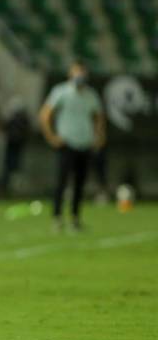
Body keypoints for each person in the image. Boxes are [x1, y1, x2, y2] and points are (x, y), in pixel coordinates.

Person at [39, 62, 106, 232]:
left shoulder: (91, 95)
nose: (79, 76)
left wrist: (99, 135)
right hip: (67, 143)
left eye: (82, 73)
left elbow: (98, 116)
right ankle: (57, 217)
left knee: (79, 183)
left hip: (84, 143)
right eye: (77, 73)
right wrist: (52, 136)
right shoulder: (61, 92)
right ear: (70, 74)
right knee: (61, 182)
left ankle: (75, 218)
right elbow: (45, 114)